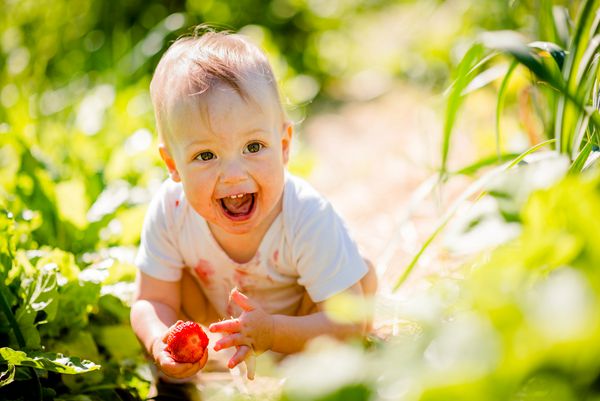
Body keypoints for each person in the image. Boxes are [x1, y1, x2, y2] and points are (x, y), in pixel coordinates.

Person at [130, 27, 377, 384]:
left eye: (253, 147)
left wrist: (273, 332)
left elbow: (348, 322)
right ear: (173, 166)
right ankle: (188, 384)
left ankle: (306, 375)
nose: (233, 174)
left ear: (284, 144)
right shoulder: (172, 211)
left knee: (355, 285)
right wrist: (159, 341)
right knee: (169, 289)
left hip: (304, 330)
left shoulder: (306, 216)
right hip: (222, 330)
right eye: (205, 155)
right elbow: (150, 301)